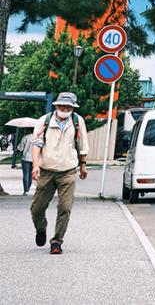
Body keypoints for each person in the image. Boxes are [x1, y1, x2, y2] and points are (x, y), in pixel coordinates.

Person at [30, 92, 89, 255]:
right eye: (62, 106)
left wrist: (83, 165)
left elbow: (82, 144)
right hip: (46, 171)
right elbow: (36, 144)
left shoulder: (77, 121)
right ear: (56, 106)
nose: (65, 109)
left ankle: (56, 241)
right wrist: (35, 165)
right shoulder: (44, 121)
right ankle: (41, 229)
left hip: (68, 171)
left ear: (73, 108)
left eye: (68, 107)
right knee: (37, 209)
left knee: (65, 207)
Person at [19, 130, 36, 194]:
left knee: (26, 174)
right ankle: (28, 188)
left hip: (25, 158)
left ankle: (25, 190)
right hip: (34, 159)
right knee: (31, 175)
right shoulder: (38, 138)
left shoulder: (26, 137)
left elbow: (20, 148)